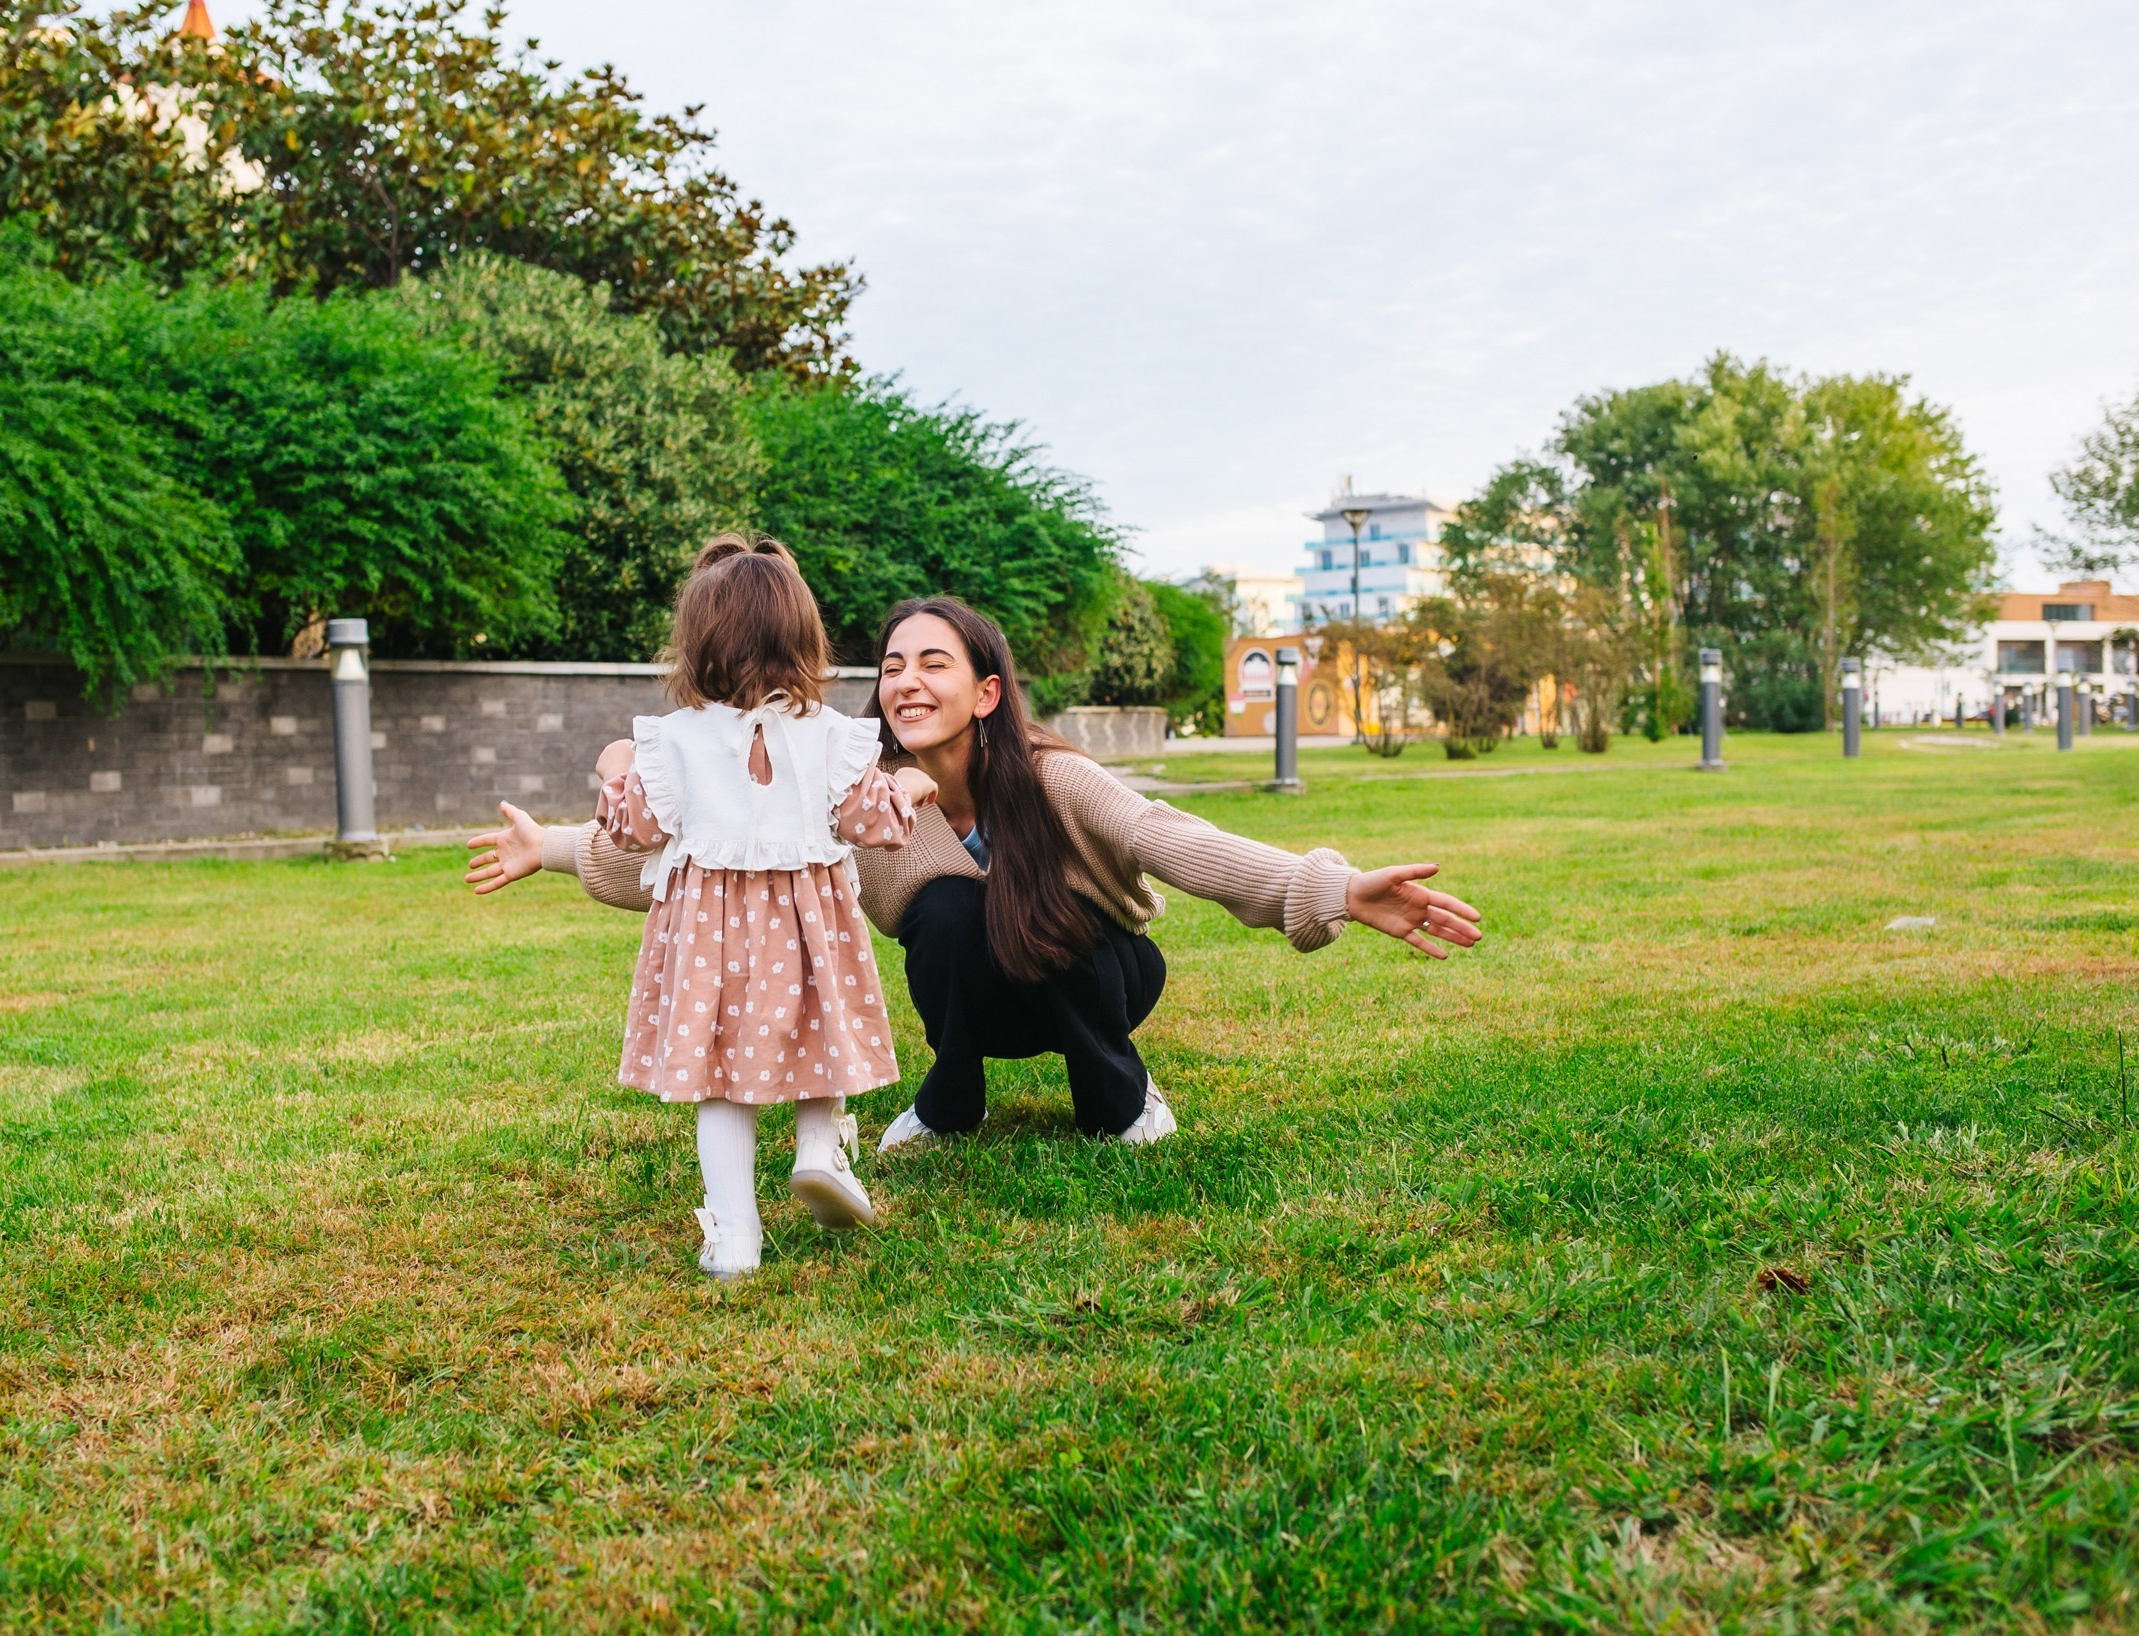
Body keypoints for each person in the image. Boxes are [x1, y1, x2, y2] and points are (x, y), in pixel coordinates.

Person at [485, 592, 1484, 1152]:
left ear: (984, 690)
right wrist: (555, 847)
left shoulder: (1052, 776)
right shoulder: (857, 791)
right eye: (891, 665)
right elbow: (700, 848)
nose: (905, 680)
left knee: (1045, 919)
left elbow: (1169, 837)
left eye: (932, 663)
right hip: (975, 994)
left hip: (1096, 977)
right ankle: (950, 1101)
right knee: (951, 913)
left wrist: (1329, 888)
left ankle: (1121, 1101)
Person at [465, 537, 917, 1280]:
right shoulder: (836, 738)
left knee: (719, 1079)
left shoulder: (669, 741)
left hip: (711, 936)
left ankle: (736, 1234)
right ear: (804, 638)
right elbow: (876, 825)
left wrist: (614, 762)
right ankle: (815, 1148)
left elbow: (634, 829)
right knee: (817, 1030)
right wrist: (905, 791)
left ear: (698, 642)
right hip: (810, 926)